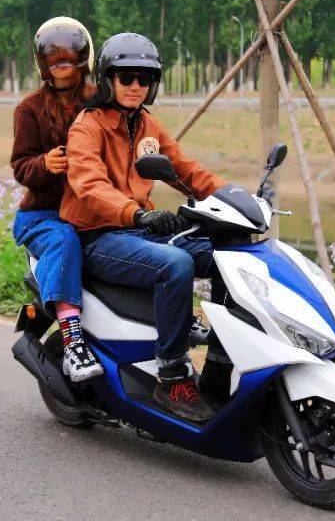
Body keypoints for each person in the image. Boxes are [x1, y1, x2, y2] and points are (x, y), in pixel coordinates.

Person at [60, 32, 233, 423]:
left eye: (144, 78)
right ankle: (172, 376)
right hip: (100, 237)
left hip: (139, 231)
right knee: (175, 264)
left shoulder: (148, 126)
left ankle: (219, 365)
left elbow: (187, 171)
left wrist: (239, 200)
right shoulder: (87, 127)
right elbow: (90, 185)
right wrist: (136, 214)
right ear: (108, 79)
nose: (135, 85)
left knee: (229, 255)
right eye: (126, 77)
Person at [11, 17, 103, 383]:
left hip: (92, 212)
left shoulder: (100, 101)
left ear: (84, 58)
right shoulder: (29, 109)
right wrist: (44, 164)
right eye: (52, 56)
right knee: (64, 241)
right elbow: (21, 167)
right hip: (44, 216)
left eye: (68, 55)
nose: (61, 62)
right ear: (42, 63)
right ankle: (73, 342)